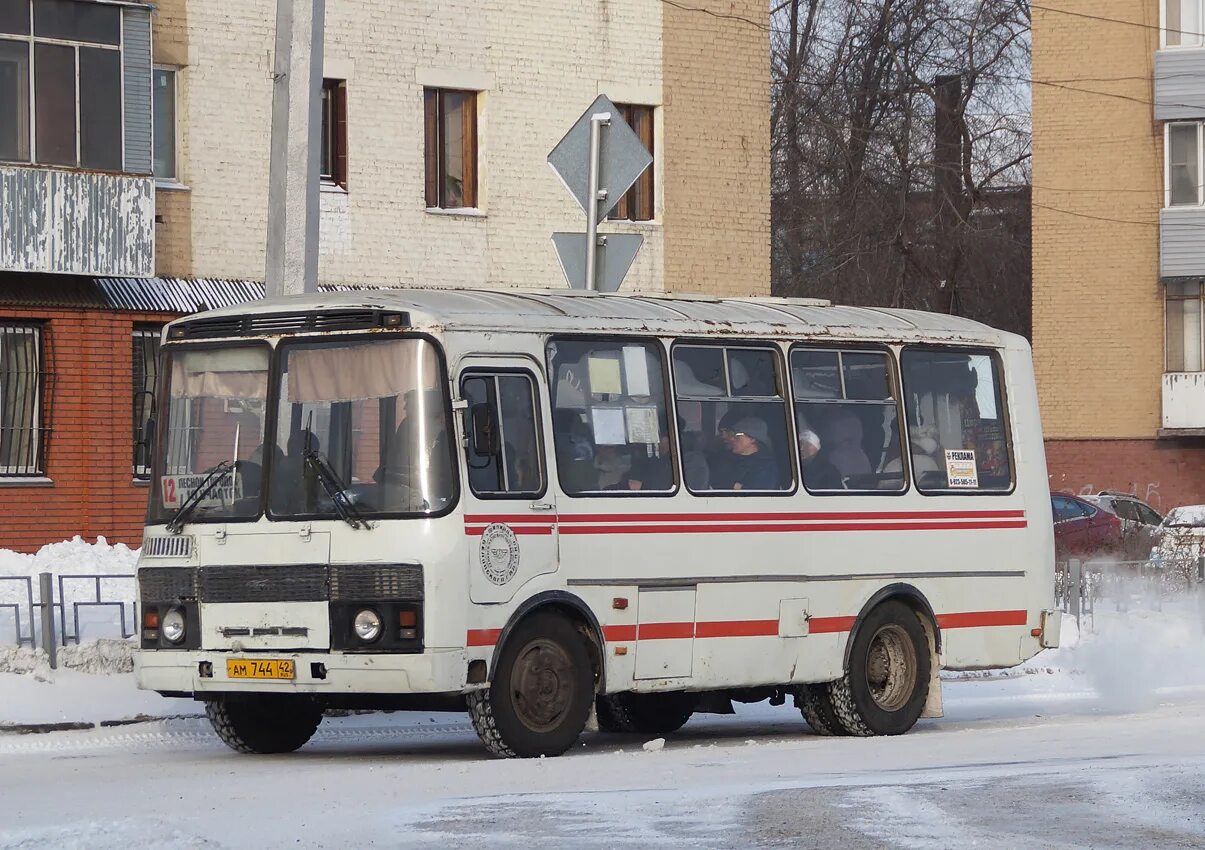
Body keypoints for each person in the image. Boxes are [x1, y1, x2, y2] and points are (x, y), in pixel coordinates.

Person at [724, 416, 779, 491]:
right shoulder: (726, 458)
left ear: (753, 438)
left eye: (737, 435)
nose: (732, 438)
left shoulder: (766, 466)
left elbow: (754, 495)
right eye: (733, 435)